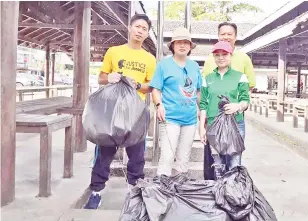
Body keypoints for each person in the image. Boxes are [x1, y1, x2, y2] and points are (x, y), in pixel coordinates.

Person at [84, 14, 156, 210]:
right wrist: (111, 77)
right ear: (130, 28)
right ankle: (96, 192)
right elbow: (101, 78)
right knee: (104, 152)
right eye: (138, 27)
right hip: (113, 112)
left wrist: (139, 84)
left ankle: (134, 192)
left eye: (144, 29)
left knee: (137, 155)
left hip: (136, 113)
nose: (140, 31)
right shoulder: (114, 52)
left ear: (147, 33)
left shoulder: (149, 59)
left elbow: (151, 86)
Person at [202, 22, 255, 180]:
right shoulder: (210, 61)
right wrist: (204, 121)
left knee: (233, 159)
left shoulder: (244, 59)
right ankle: (217, 193)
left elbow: (247, 89)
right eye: (222, 33)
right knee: (216, 162)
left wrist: (238, 104)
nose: (221, 58)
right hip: (213, 120)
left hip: (233, 118)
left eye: (229, 34)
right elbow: (205, 93)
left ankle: (233, 195)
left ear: (235, 37)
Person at [150, 27, 202, 177]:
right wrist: (159, 105)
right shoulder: (163, 65)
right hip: (170, 118)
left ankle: (180, 190)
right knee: (167, 156)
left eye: (186, 42)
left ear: (190, 47)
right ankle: (162, 192)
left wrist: (203, 112)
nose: (182, 45)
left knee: (183, 158)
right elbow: (156, 89)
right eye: (178, 42)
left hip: (190, 119)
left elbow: (198, 91)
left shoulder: (194, 66)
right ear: (172, 45)